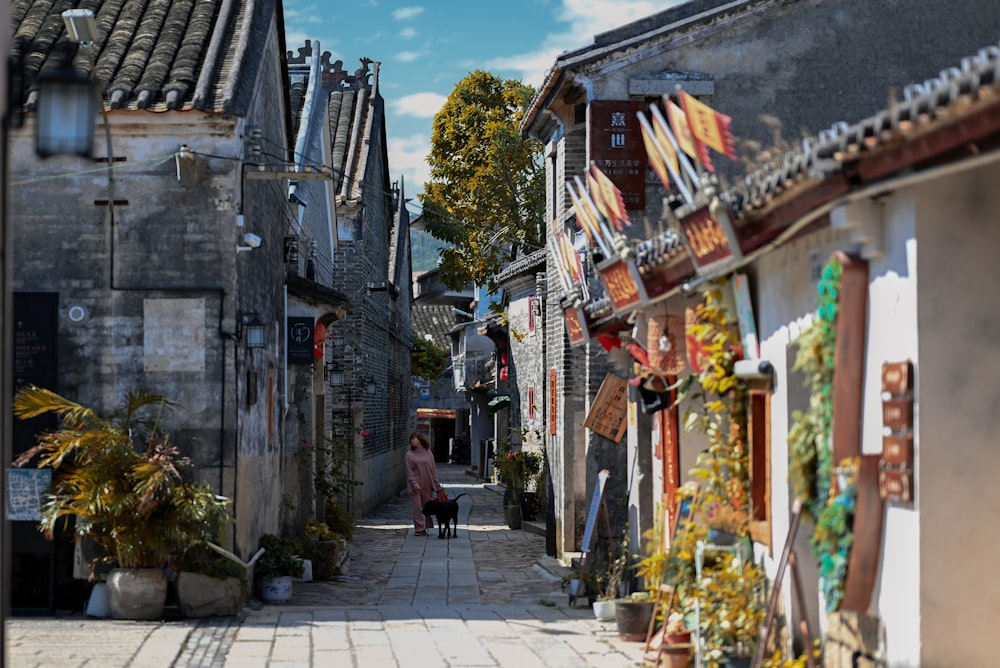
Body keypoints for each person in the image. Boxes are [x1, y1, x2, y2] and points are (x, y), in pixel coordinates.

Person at [405, 432, 443, 536]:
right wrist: (415, 485)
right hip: (416, 486)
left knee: (427, 507)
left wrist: (437, 486)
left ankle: (425, 525)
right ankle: (419, 529)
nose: (412, 441)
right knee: (418, 508)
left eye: (414, 439)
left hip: (428, 484)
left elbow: (433, 470)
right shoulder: (409, 454)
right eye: (411, 439)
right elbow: (409, 472)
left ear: (420, 440)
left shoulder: (428, 452)